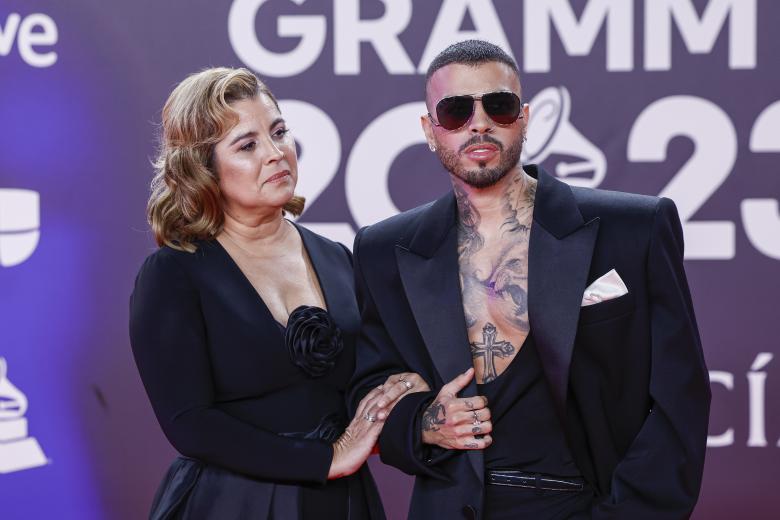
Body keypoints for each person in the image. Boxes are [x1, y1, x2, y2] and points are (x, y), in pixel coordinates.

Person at [348, 40, 711, 519]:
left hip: (585, 502)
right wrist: (422, 422)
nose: (479, 123)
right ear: (430, 130)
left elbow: (679, 398)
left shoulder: (634, 228)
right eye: (456, 111)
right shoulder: (384, 251)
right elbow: (369, 388)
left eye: (497, 106)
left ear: (523, 116)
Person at [129, 67, 428, 520]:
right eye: (247, 145)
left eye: (279, 132)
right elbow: (189, 423)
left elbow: (366, 381)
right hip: (233, 504)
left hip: (341, 501)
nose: (276, 154)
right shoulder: (174, 273)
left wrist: (408, 392)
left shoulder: (337, 257)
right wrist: (325, 459)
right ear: (203, 169)